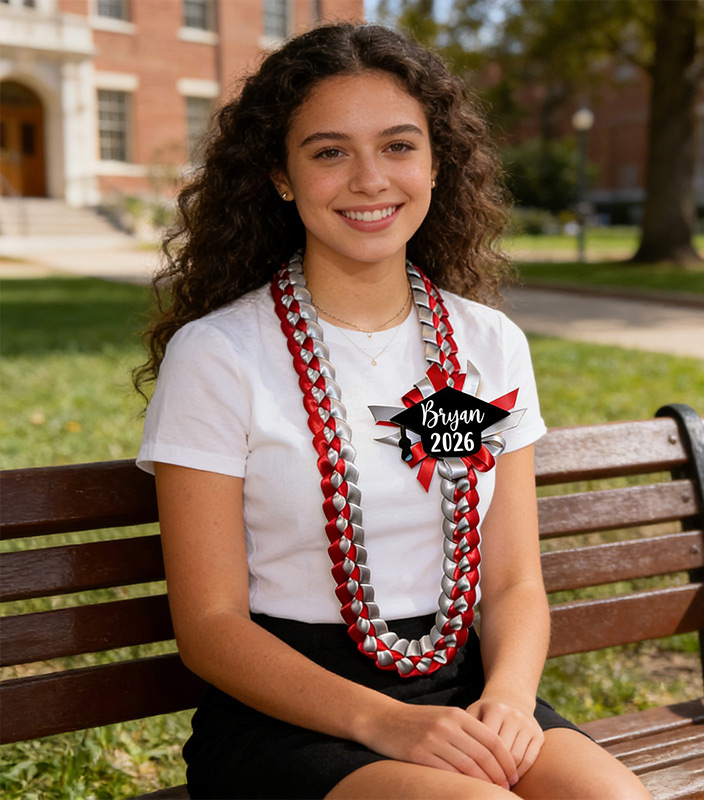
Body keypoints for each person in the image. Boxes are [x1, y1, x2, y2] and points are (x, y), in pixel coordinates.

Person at [135, 22, 652, 800]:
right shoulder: (220, 356)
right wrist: (385, 722)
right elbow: (210, 627)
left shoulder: (490, 344)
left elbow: (513, 583)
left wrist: (508, 701)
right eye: (330, 151)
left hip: (465, 693)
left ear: (438, 163)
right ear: (281, 175)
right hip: (290, 713)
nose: (370, 179)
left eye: (400, 146)